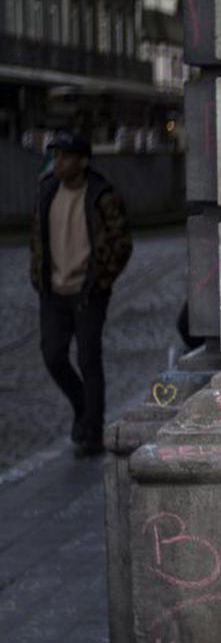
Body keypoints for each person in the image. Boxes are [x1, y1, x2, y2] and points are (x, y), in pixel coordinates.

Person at [29, 130, 131, 457]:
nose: (57, 162)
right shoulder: (47, 192)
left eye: (64, 156)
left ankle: (92, 433)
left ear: (82, 161)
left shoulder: (102, 195)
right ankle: (83, 405)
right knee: (53, 356)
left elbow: (121, 243)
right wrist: (39, 277)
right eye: (55, 156)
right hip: (54, 293)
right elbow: (37, 239)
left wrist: (101, 280)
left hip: (89, 293)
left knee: (89, 360)